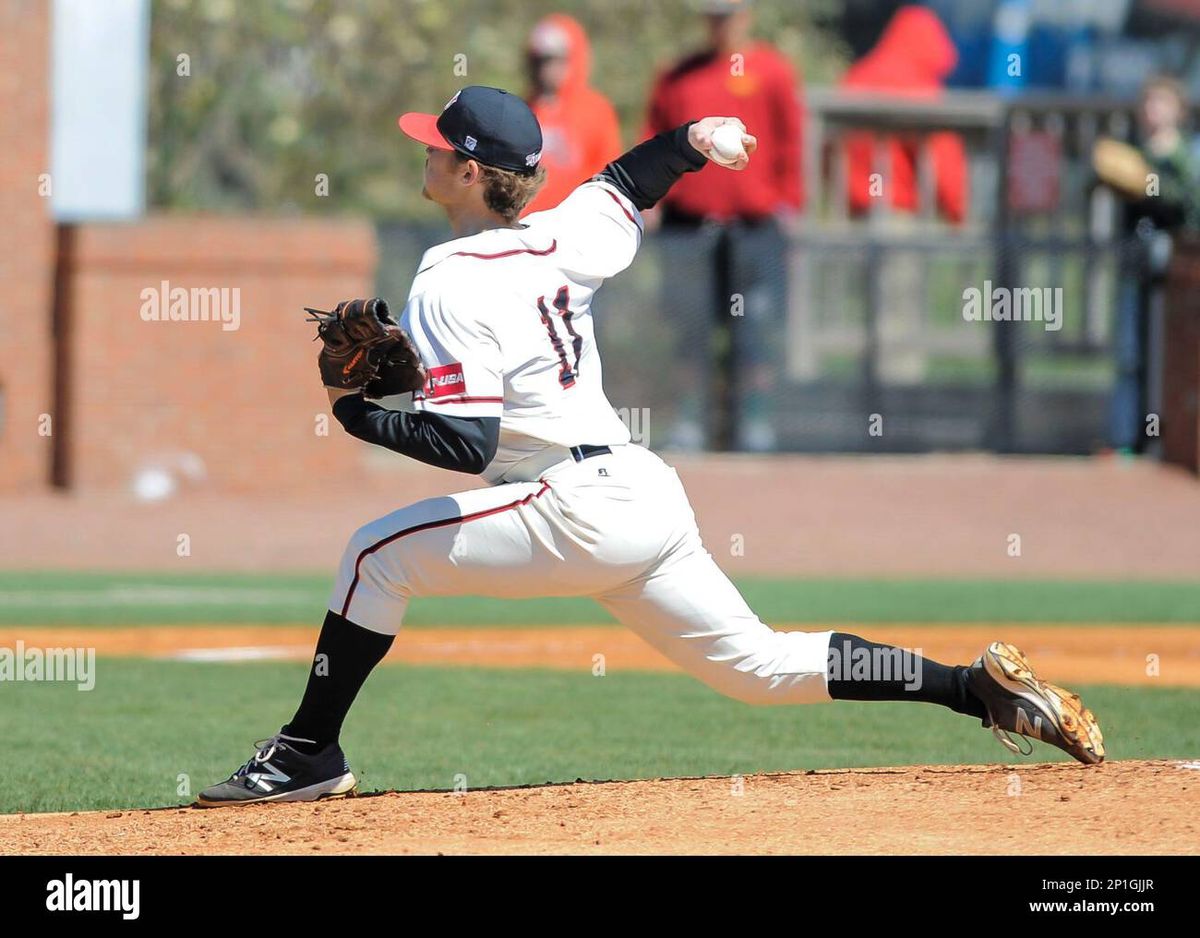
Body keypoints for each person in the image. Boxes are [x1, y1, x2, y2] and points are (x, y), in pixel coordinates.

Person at [198, 85, 1103, 806]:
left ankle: (308, 749)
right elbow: (632, 181)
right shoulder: (561, 232)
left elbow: (467, 443)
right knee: (757, 668)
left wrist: (356, 417)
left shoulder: (446, 277)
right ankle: (971, 689)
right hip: (639, 491)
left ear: (470, 171)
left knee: (373, 556)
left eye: (438, 142)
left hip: (568, 505)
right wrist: (701, 136)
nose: (424, 150)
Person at [642, 0, 803, 452]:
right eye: (713, 15)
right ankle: (691, 421)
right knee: (689, 330)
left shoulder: (773, 71)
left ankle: (755, 423)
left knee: (756, 330)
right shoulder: (679, 75)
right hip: (689, 228)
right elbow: (654, 140)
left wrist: (789, 208)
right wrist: (650, 200)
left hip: (754, 228)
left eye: (728, 14)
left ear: (747, 16)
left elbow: (791, 144)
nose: (720, 24)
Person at [839, 4, 967, 385]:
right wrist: (957, 213)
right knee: (900, 311)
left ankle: (864, 396)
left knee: (865, 312)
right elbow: (943, 162)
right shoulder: (920, 87)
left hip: (856, 216)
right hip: (899, 215)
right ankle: (895, 398)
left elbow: (832, 151)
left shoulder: (857, 77)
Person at [1098, 75, 1200, 453]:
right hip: (1133, 261)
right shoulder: (1134, 149)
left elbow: (1185, 206)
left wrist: (1150, 182)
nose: (1153, 110)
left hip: (1169, 269)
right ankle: (1125, 438)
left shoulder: (1182, 157)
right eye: (1148, 103)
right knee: (1129, 352)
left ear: (1178, 109)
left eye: (1162, 102)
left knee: (1164, 354)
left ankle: (1158, 439)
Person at [521, 13, 622, 216]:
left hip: (576, 223)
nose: (545, 69)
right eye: (539, 61)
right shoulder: (521, 111)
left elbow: (609, 174)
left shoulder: (596, 110)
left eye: (554, 60)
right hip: (524, 226)